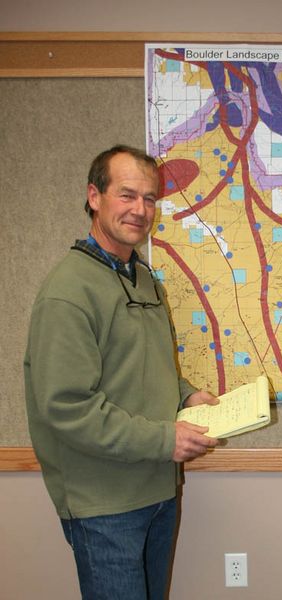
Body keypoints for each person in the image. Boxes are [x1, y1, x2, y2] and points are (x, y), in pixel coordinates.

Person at [24, 145, 219, 600]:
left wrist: (187, 395)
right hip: (105, 506)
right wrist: (165, 439)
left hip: (157, 492)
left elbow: (146, 369)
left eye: (150, 198)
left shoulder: (143, 278)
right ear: (94, 196)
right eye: (127, 194)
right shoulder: (67, 291)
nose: (140, 210)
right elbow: (68, 408)